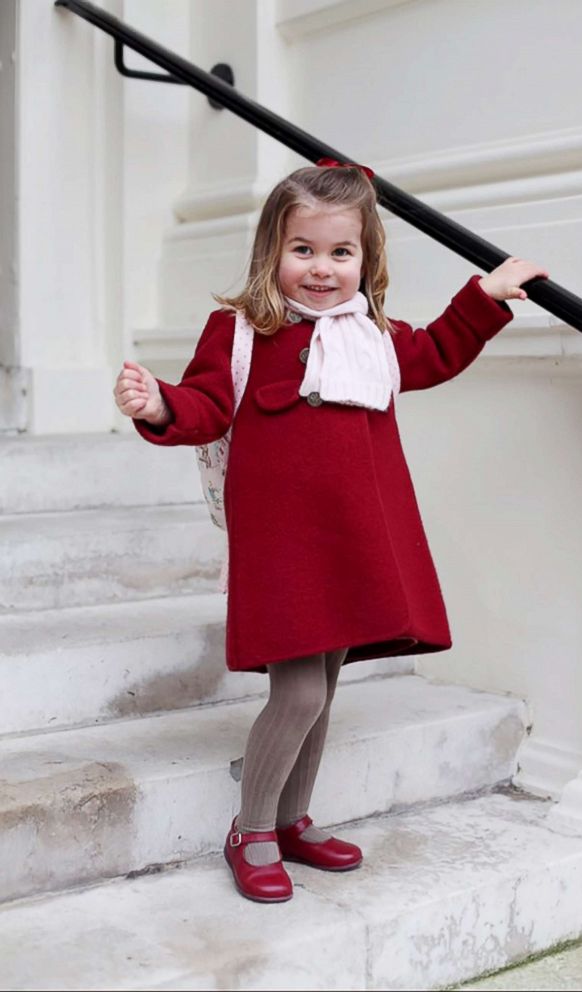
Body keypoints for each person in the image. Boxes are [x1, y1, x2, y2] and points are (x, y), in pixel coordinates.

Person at [114, 161, 548, 904]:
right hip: (284, 545)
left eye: (339, 253)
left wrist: (483, 297)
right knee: (299, 695)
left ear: (365, 260)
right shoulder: (243, 331)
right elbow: (207, 404)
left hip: (354, 539)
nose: (320, 269)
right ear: (270, 252)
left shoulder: (372, 333)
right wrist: (159, 404)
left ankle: (289, 819)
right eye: (302, 250)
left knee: (328, 682)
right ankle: (250, 829)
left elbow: (438, 351)